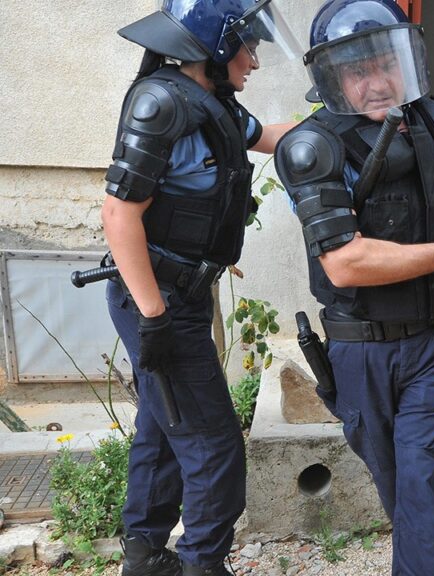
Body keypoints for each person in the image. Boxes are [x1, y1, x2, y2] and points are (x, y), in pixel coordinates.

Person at [274, 1, 434, 574]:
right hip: (363, 350)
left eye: (386, 64)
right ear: (334, 77)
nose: (377, 82)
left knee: (419, 478)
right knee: (397, 484)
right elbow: (345, 264)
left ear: (408, 61)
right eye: (359, 70)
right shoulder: (315, 146)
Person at [100, 1, 302, 575]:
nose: (255, 61)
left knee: (163, 428)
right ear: (216, 46)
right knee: (214, 447)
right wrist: (155, 317)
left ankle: (145, 557)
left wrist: (341, 114)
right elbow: (119, 214)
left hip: (177, 297)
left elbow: (270, 137)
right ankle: (203, 565)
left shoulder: (214, 104)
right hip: (156, 301)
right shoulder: (162, 104)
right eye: (248, 47)